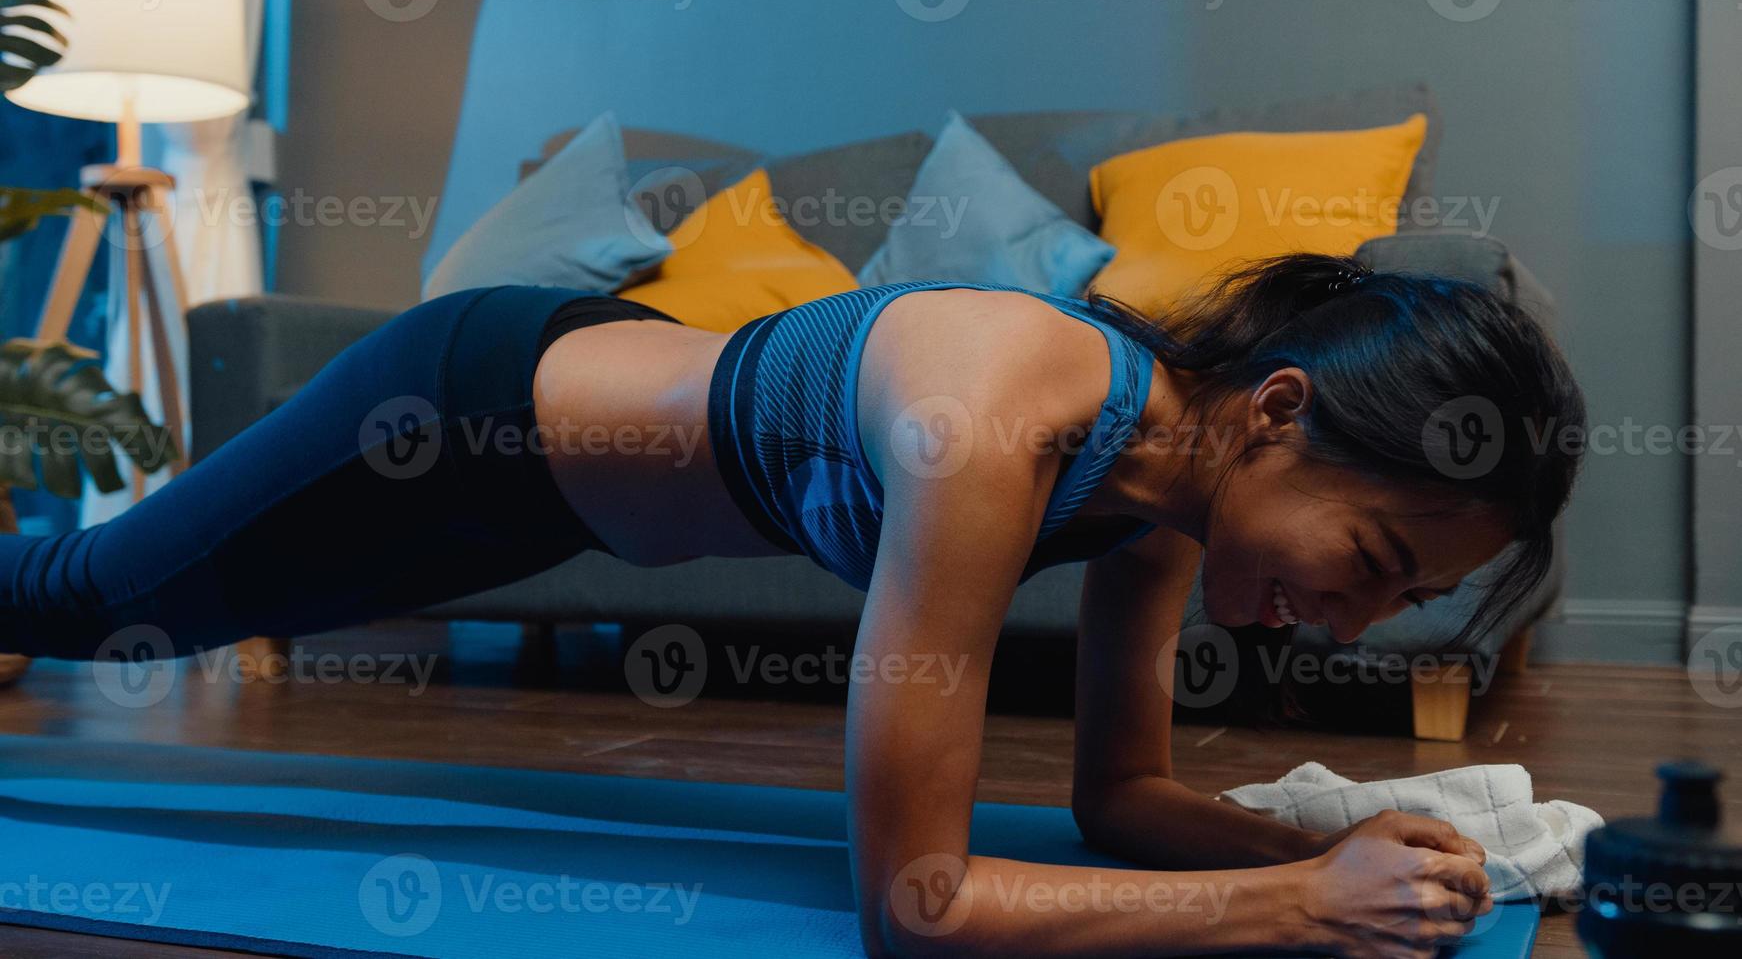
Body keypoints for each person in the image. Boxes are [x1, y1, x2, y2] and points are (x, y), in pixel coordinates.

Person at [0, 252, 1585, 957]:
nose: (1350, 622)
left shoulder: (1161, 504)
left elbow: (1124, 802)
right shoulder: (1002, 415)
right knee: (84, 596)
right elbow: (921, 909)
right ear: (1280, 412)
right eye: (1374, 562)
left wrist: (1341, 846)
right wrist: (1297, 907)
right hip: (446, 425)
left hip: (550, 486)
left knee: (92, 602)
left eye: (1405, 602)